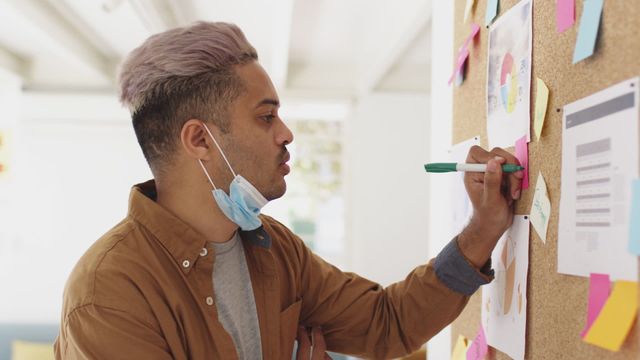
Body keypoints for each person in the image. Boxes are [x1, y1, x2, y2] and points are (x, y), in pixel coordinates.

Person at [54, 22, 523, 360]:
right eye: (265, 116)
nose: (286, 134)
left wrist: (483, 229)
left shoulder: (274, 249)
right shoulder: (108, 294)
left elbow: (388, 323)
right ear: (200, 140)